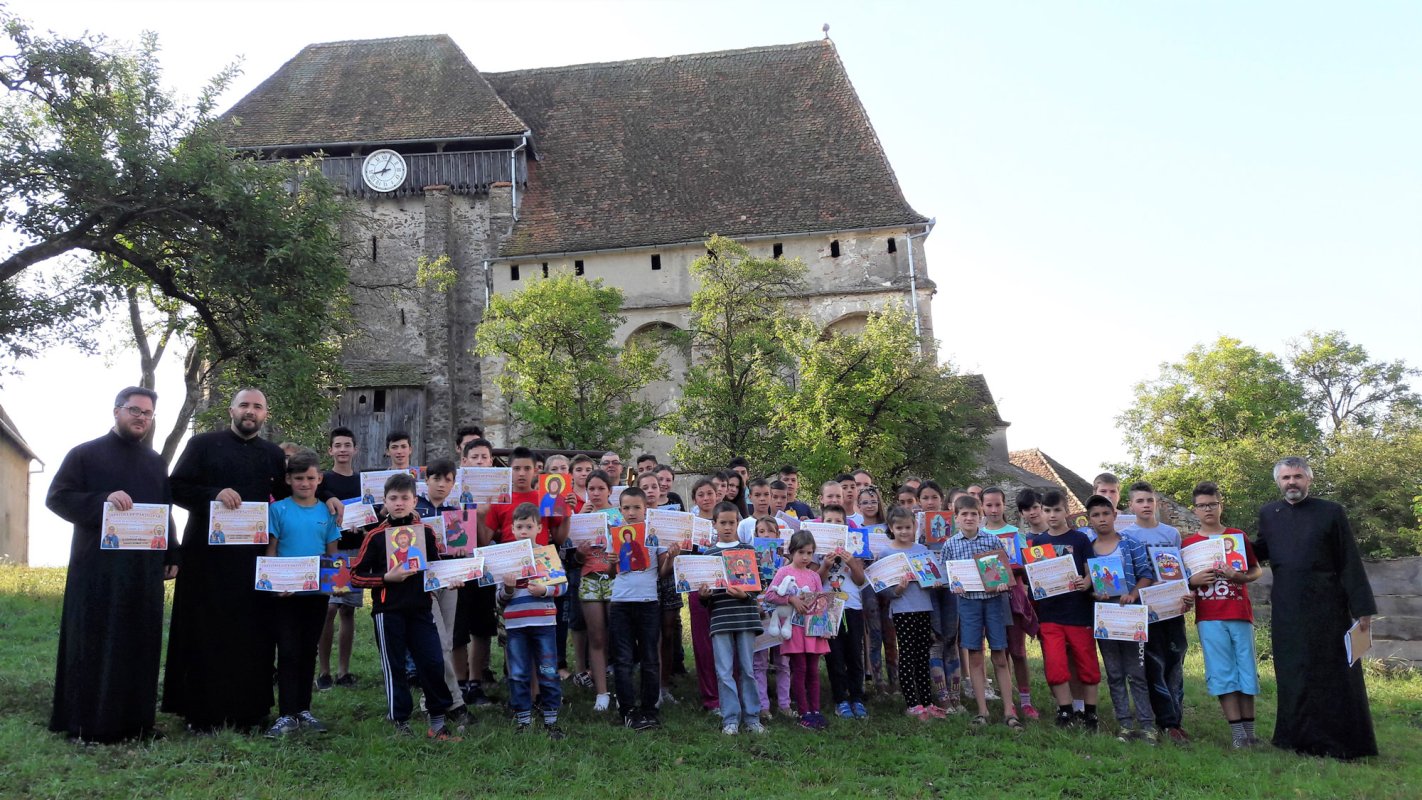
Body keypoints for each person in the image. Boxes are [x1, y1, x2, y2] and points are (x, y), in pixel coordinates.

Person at [163, 388, 339, 733]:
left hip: (255, 561)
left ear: (265, 415)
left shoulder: (273, 455)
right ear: (231, 409)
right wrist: (213, 494)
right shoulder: (202, 445)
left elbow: (298, 487)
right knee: (206, 634)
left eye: (257, 406)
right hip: (207, 561)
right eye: (244, 404)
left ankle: (250, 711)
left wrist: (329, 495)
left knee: (253, 638)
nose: (250, 411)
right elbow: (176, 488)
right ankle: (201, 713)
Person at [46, 386, 178, 743]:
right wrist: (102, 500)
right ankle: (85, 725)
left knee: (141, 643)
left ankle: (138, 723)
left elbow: (163, 510)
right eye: (134, 410)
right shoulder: (85, 455)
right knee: (94, 643)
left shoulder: (154, 462)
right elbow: (57, 498)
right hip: (97, 571)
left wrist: (172, 554)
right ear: (117, 411)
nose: (141, 418)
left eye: (147, 414)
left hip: (142, 570)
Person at [1256, 457, 1377, 759]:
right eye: (1286, 478)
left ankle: (1338, 743)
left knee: (1333, 674)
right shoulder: (1269, 514)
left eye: (1298, 476)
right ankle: (1294, 738)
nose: (1292, 482)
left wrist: (1362, 608)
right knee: (1292, 672)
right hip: (1287, 607)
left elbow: (1349, 560)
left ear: (1308, 480)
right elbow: (1260, 549)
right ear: (1278, 482)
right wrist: (1222, 542)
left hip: (1328, 607)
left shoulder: (1331, 512)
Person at [350, 473, 459, 740]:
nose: (399, 503)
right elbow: (355, 575)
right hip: (389, 612)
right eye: (393, 498)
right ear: (385, 502)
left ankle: (437, 722)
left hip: (421, 609)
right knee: (395, 667)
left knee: (433, 662)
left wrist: (451, 581)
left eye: (405, 498)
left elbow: (435, 569)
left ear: (414, 501)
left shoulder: (426, 533)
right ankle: (400, 721)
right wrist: (386, 578)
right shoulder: (376, 536)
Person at [263, 451, 341, 738]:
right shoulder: (278, 510)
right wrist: (273, 586)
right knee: (288, 650)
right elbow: (270, 550)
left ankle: (304, 710)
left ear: (320, 479)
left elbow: (332, 555)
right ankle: (286, 714)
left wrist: (332, 585)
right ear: (288, 480)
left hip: (316, 595)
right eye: (299, 478)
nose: (305, 483)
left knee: (309, 649)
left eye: (310, 478)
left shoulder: (328, 512)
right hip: (285, 595)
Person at [1184, 481, 1259, 749]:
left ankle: (1251, 732)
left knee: (1247, 672)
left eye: (1212, 504)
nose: (1208, 510)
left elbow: (1256, 570)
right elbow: (1184, 584)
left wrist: (1239, 576)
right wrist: (1194, 581)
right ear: (1195, 510)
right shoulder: (1189, 544)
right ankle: (1237, 734)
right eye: (1202, 506)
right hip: (1209, 616)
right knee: (1222, 673)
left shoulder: (1237, 536)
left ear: (1220, 505)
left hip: (1240, 613)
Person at [942, 494, 1021, 729]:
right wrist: (952, 584)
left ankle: (1009, 710)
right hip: (968, 605)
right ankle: (982, 711)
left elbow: (1002, 572)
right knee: (975, 656)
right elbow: (948, 577)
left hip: (994, 602)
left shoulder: (992, 541)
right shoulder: (950, 545)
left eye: (973, 514)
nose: (969, 518)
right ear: (956, 518)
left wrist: (1002, 581)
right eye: (964, 514)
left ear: (981, 516)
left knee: (999, 654)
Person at [1120, 481, 1189, 744]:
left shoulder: (1171, 534)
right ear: (1131, 506)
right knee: (1152, 664)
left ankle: (1177, 718)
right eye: (1140, 501)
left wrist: (1185, 594)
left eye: (1150, 500)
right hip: (1145, 611)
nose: (1146, 505)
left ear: (1156, 503)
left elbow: (1180, 570)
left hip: (1172, 607)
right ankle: (1165, 721)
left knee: (1175, 660)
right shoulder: (1127, 537)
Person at [1084, 494, 1157, 743]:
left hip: (1130, 614)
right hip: (1104, 615)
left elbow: (1146, 574)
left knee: (1136, 671)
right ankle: (1124, 724)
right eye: (1096, 515)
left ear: (1115, 515)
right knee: (1114, 672)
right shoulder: (1088, 549)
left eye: (1106, 514)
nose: (1102, 519)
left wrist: (1133, 593)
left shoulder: (1131, 544)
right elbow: (1088, 583)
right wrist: (1095, 592)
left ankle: (1147, 726)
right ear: (1089, 519)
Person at [1029, 489, 1100, 731]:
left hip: (1078, 613)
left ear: (1067, 512)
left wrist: (1086, 582)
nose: (1051, 515)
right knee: (1056, 664)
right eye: (1047, 510)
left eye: (1057, 510)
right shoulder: (1037, 543)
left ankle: (1090, 713)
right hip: (1050, 614)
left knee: (1087, 663)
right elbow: (1034, 578)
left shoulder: (1080, 539)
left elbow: (1091, 570)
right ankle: (1065, 709)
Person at [609, 487, 678, 730]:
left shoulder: (654, 535)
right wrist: (611, 563)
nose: (631, 512)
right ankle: (627, 708)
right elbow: (610, 573)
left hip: (648, 603)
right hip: (620, 603)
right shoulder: (614, 535)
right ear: (620, 510)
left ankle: (650, 708)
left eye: (636, 507)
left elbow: (662, 572)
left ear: (646, 509)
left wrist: (671, 557)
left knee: (650, 658)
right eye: (626, 508)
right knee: (623, 659)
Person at [498, 503, 568, 739]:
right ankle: (523, 721)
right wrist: (507, 588)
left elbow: (563, 586)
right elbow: (499, 597)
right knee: (518, 673)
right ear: (513, 529)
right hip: (516, 626)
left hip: (544, 624)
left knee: (548, 671)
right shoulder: (506, 557)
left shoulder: (547, 553)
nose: (524, 530)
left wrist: (544, 591)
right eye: (520, 526)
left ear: (539, 528)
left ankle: (551, 721)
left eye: (529, 526)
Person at [700, 501, 766, 735]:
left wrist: (744, 593)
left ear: (738, 523)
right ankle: (730, 719)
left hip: (746, 619)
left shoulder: (749, 551)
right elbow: (705, 595)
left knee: (748, 670)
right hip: (721, 620)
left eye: (732, 522)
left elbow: (759, 587)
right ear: (714, 524)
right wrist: (704, 595)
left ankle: (752, 718)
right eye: (723, 523)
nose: (727, 527)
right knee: (724, 671)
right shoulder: (708, 554)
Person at [766, 529, 831, 730]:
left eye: (809, 553)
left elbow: (821, 602)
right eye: (801, 552)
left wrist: (826, 626)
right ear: (792, 552)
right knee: (800, 669)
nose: (805, 557)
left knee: (813, 670)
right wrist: (790, 599)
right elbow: (770, 595)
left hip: (812, 631)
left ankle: (815, 710)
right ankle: (803, 711)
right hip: (794, 629)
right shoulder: (784, 572)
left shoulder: (814, 576)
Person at [982, 487, 1038, 720]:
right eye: (989, 505)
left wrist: (1016, 567)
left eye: (998, 505)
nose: (994, 510)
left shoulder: (1015, 533)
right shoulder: (979, 533)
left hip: (1013, 596)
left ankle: (1025, 700)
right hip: (990, 598)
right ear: (982, 506)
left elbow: (1027, 565)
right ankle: (1007, 700)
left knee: (1018, 651)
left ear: (1005, 505)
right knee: (999, 651)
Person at [880, 505, 940, 720]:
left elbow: (935, 577)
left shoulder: (922, 550)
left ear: (915, 526)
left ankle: (927, 701)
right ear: (891, 528)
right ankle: (912, 704)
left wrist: (932, 582)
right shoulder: (886, 553)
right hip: (903, 610)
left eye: (908, 527)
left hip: (923, 607)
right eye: (899, 528)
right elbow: (883, 589)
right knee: (906, 654)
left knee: (923, 655)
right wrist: (898, 589)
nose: (904, 531)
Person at [454, 437, 500, 707]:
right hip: (458, 566)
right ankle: (459, 684)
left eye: (485, 457)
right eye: (475, 457)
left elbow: (485, 540)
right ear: (464, 460)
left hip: (485, 566)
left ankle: (475, 681)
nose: (480, 461)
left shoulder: (497, 493)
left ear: (491, 461)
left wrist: (481, 515)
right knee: (458, 627)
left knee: (482, 627)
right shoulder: (453, 489)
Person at [317, 427, 363, 691]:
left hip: (356, 550)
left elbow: (372, 511)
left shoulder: (361, 481)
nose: (343, 449)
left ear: (355, 449)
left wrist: (363, 525)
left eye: (348, 445)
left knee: (348, 610)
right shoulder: (324, 480)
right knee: (329, 609)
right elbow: (316, 497)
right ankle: (323, 671)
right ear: (331, 450)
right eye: (338, 445)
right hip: (332, 551)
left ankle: (343, 671)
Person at [574, 469, 622, 712]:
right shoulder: (579, 514)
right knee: (596, 636)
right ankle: (601, 692)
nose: (595, 493)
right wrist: (579, 553)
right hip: (590, 577)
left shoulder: (620, 515)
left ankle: (623, 690)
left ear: (610, 491)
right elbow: (570, 552)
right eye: (590, 488)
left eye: (600, 488)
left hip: (616, 578)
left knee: (619, 635)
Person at [819, 504, 869, 720]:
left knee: (854, 655)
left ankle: (857, 697)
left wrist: (851, 562)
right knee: (835, 656)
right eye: (828, 521)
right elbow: (815, 581)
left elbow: (860, 580)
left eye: (837, 521)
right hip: (828, 606)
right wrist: (825, 566)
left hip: (852, 607)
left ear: (845, 525)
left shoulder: (854, 546)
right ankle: (840, 699)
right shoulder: (818, 547)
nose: (833, 525)